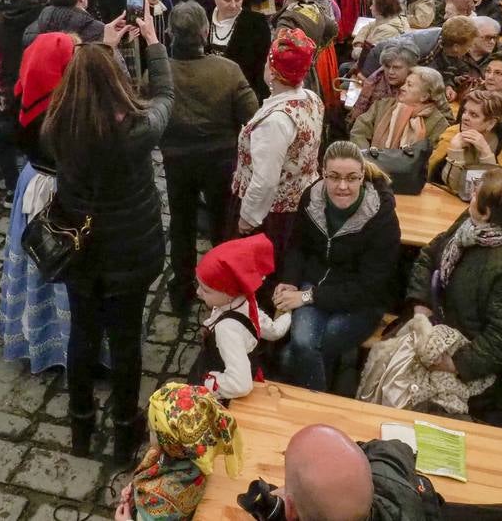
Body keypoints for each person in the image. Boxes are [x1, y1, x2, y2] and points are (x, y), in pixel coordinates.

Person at [44, 13, 173, 463]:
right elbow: (165, 94)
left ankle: (80, 423)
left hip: (79, 248)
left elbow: (88, 80)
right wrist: (153, 43)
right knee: (125, 339)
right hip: (130, 250)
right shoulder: (133, 131)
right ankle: (123, 427)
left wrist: (103, 45)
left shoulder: (59, 120)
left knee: (82, 333)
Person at [405, 169, 502, 423]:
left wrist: (455, 363)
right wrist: (421, 307)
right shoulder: (469, 226)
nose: (469, 199)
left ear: (488, 212)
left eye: (474, 197)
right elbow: (429, 257)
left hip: (471, 366)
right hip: (434, 330)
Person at [277, 140, 401, 393]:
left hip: (362, 301)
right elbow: (297, 246)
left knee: (301, 350)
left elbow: (370, 286)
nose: (342, 186)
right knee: (302, 343)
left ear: (362, 177)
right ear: (323, 175)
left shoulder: (381, 216)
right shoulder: (311, 198)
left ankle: (315, 399)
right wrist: (289, 280)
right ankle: (328, 392)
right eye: (333, 177)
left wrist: (308, 296)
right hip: (316, 285)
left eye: (351, 178)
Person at [162, 1, 259, 312]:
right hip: (220, 159)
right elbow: (252, 116)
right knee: (221, 225)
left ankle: (182, 289)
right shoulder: (227, 70)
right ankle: (224, 286)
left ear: (170, 33)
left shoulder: (159, 72)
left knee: (181, 223)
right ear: (205, 32)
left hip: (177, 159)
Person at [0, 31, 76, 374]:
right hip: (63, 187)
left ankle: (38, 332)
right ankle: (66, 339)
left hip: (33, 181)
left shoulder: (23, 97)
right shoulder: (68, 108)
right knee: (62, 257)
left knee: (37, 260)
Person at [232, 29, 325, 266]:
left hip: (272, 215)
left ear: (272, 73)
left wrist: (247, 217)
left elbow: (265, 180)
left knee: (259, 270)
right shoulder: (311, 98)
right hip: (298, 203)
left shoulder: (275, 121)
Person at [114, 383, 241, 521]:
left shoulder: (159, 503)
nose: (149, 433)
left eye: (153, 431)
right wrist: (134, 488)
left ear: (171, 445)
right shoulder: (199, 455)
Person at [190, 234, 291, 399]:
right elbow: (274, 331)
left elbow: (240, 384)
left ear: (228, 293)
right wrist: (288, 313)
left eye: (206, 290)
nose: (197, 292)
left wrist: (206, 383)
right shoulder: (245, 301)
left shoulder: (227, 329)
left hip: (220, 397)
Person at [428, 89, 502, 196]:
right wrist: (455, 152)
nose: (465, 117)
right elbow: (451, 187)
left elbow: (498, 192)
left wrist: (486, 154)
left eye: (473, 115)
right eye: (465, 111)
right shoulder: (451, 134)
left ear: (491, 123)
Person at [350, 65, 449, 152]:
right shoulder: (382, 105)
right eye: (405, 83)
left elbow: (434, 155)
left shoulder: (438, 123)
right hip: (372, 166)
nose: (402, 87)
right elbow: (359, 131)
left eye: (409, 85)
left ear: (424, 96)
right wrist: (366, 156)